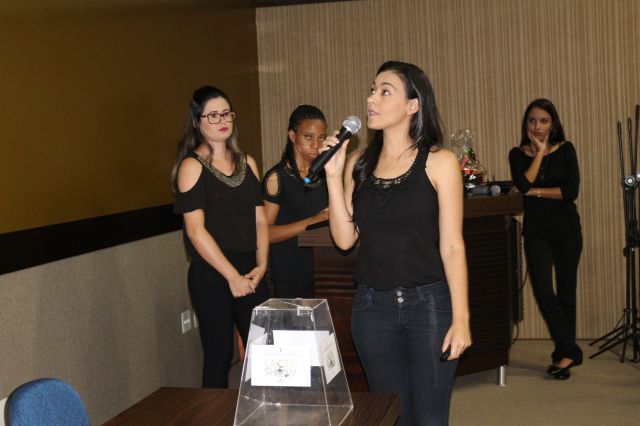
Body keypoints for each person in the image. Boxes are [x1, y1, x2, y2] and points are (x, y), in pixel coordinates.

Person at [323, 61, 472, 425]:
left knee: (429, 418)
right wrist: (332, 175)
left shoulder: (440, 162)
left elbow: (452, 246)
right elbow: (344, 239)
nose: (372, 99)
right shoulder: (358, 163)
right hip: (372, 309)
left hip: (429, 307)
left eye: (384, 91)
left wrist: (462, 318)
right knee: (393, 417)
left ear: (412, 105)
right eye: (372, 90)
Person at [171, 85, 269, 388]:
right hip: (212, 273)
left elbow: (260, 220)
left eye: (226, 113)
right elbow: (195, 231)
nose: (222, 120)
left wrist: (262, 265)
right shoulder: (191, 166)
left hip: (250, 270)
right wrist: (231, 277)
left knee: (265, 352)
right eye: (212, 115)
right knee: (219, 355)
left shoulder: (248, 163)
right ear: (196, 122)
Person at [509, 98, 583, 380]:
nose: (537, 126)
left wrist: (535, 193)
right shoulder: (517, 154)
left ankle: (564, 356)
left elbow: (570, 192)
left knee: (566, 294)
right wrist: (539, 153)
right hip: (537, 232)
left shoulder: (566, 149)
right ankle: (571, 350)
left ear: (553, 124)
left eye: (543, 121)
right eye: (532, 120)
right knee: (543, 292)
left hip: (567, 230)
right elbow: (523, 183)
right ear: (526, 124)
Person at [262, 105, 329, 298]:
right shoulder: (277, 178)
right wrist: (313, 221)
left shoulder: (327, 175)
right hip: (289, 275)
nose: (316, 144)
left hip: (325, 271)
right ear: (292, 135)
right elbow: (264, 233)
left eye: (321, 138)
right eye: (308, 137)